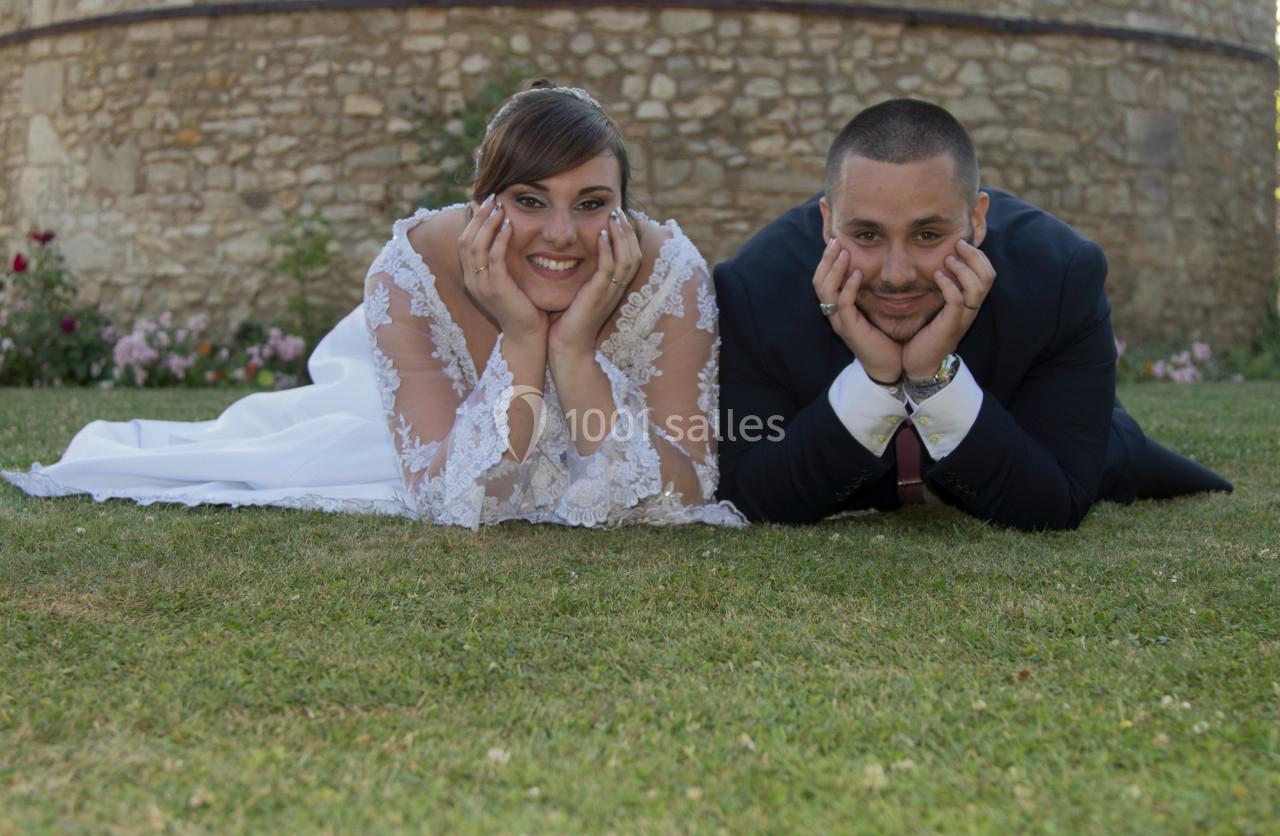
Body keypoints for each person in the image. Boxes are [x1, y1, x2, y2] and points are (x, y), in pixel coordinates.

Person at [5, 82, 743, 530]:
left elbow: (686, 490)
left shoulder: (667, 272)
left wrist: (575, 350)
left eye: (591, 204)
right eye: (528, 201)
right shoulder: (412, 271)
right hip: (432, 422)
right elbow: (460, 498)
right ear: (484, 204)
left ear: (623, 209)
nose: (560, 234)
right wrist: (522, 334)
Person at [715, 98, 1230, 531]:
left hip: (1076, 446)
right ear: (827, 221)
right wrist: (876, 380)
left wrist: (932, 377)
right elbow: (750, 496)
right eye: (866, 235)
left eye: (928, 236)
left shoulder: (1061, 274)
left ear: (977, 219)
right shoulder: (753, 288)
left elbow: (1054, 502)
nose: (896, 274)